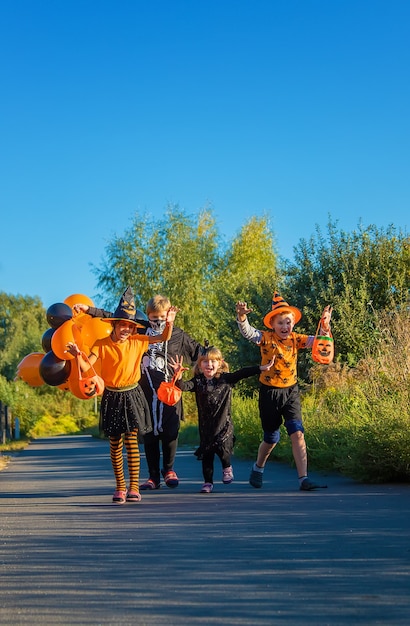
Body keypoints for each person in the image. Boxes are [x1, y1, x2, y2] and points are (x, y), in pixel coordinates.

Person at [73, 294, 203, 491]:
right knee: (147, 434)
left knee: (170, 431)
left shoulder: (176, 334)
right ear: (148, 316)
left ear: (168, 315)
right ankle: (151, 477)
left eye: (162, 317)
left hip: (169, 391)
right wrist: (89, 310)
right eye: (154, 318)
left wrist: (215, 365)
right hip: (144, 391)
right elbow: (116, 316)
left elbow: (199, 352)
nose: (158, 321)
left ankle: (168, 470)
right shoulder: (139, 330)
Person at [235, 292, 332, 491]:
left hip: (291, 392)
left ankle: (303, 478)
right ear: (272, 324)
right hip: (270, 393)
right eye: (280, 323)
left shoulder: (297, 339)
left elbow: (320, 341)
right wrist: (242, 317)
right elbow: (248, 333)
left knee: (297, 433)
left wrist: (325, 324)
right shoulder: (266, 338)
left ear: (293, 324)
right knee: (271, 438)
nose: (285, 327)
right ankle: (258, 467)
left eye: (288, 322)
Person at [170, 346, 275, 493]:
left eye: (213, 361)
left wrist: (261, 368)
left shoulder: (226, 379)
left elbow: (242, 373)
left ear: (220, 363)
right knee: (207, 455)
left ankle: (227, 467)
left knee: (223, 450)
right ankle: (208, 482)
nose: (209, 365)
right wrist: (178, 376)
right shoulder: (198, 381)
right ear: (199, 365)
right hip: (206, 428)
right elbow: (183, 386)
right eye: (205, 361)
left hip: (224, 425)